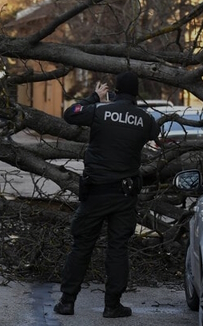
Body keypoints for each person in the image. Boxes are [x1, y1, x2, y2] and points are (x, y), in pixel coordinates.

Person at [53, 71, 159, 319]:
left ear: (114, 90)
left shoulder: (100, 111)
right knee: (118, 249)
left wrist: (94, 98)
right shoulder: (145, 120)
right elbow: (155, 134)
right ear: (136, 93)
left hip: (96, 192)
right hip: (125, 195)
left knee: (81, 247)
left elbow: (71, 114)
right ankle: (112, 306)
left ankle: (67, 302)